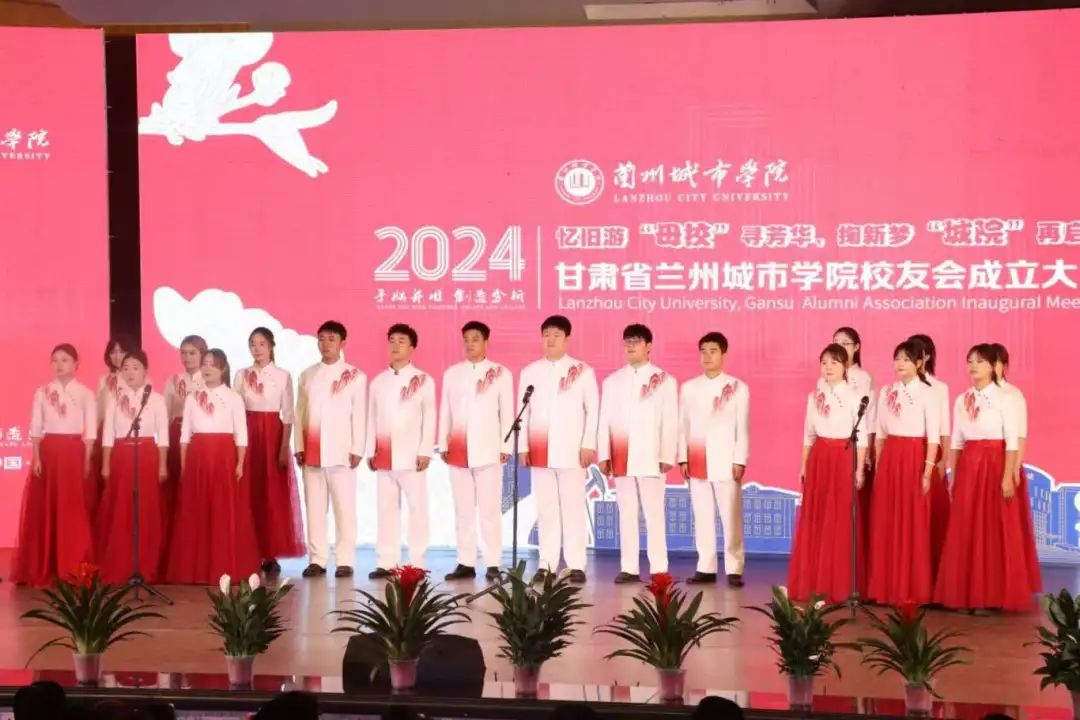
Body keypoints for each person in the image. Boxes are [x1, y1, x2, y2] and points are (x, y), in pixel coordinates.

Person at [933, 344, 1036, 612]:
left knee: (992, 529)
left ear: (992, 366)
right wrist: (953, 475)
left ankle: (991, 596)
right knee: (965, 526)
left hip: (995, 464)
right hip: (969, 465)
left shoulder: (1006, 397)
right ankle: (964, 594)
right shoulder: (962, 399)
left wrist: (1007, 475)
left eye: (979, 362)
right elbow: (957, 441)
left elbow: (1012, 440)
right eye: (970, 361)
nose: (973, 366)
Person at [164, 349, 259, 584]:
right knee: (196, 512)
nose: (207, 368)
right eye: (205, 363)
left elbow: (241, 434)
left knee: (222, 512)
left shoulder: (233, 397)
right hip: (198, 457)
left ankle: (224, 567)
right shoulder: (192, 397)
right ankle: (196, 569)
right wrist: (185, 464)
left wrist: (240, 463)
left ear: (223, 369)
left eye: (213, 364)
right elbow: (185, 434)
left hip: (224, 457)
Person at [519, 315, 599, 584]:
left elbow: (593, 410)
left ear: (567, 339)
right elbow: (524, 412)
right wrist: (523, 446)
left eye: (556, 335)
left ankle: (576, 564)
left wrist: (588, 444)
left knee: (573, 508)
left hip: (572, 450)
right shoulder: (530, 372)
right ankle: (547, 564)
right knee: (546, 510)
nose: (550, 340)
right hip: (540, 450)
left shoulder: (582, 371)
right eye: (546, 335)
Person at [787, 344, 867, 603]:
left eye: (834, 362)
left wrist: (859, 470)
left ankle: (840, 585)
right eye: (824, 363)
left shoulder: (856, 396)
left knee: (840, 517)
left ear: (845, 366)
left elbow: (862, 439)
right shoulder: (814, 397)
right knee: (817, 516)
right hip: (819, 458)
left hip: (843, 457)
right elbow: (808, 435)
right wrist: (803, 465)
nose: (828, 367)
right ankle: (814, 582)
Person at [11, 344, 97, 586]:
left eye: (65, 360)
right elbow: (36, 427)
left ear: (76, 364)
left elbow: (91, 431)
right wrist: (37, 457)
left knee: (72, 510)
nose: (59, 365)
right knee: (47, 508)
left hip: (73, 453)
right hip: (49, 452)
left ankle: (73, 566)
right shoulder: (42, 392)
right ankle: (45, 564)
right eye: (55, 360)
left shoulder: (85, 393)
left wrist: (87, 460)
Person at [598, 324, 677, 584]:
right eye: (627, 341)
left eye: (636, 341)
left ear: (649, 346)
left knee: (654, 514)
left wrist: (667, 454)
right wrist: (604, 454)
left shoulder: (664, 380)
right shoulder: (612, 382)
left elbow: (670, 420)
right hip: (621, 455)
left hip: (651, 455)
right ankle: (629, 567)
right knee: (626, 513)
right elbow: (604, 420)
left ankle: (659, 568)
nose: (630, 346)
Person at [866, 340, 940, 606]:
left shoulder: (929, 393)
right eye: (897, 358)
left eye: (907, 359)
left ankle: (911, 588)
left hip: (914, 457)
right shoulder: (887, 391)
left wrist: (927, 472)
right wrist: (879, 463)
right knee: (887, 521)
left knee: (912, 522)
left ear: (919, 363)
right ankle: (886, 587)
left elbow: (934, 437)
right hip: (890, 457)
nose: (900, 364)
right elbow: (880, 433)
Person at [440, 321, 513, 582]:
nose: (470, 344)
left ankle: (493, 563)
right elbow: (445, 411)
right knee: (463, 510)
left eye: (475, 339)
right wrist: (443, 443)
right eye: (466, 339)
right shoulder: (452, 374)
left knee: (489, 511)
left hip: (489, 449)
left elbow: (507, 412)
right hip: (458, 449)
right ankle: (466, 562)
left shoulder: (500, 373)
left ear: (486, 342)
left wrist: (505, 446)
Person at [295, 321, 366, 579]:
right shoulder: (307, 375)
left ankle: (345, 560)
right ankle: (317, 559)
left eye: (331, 339)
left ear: (342, 343)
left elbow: (359, 414)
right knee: (315, 509)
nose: (325, 344)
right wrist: (299, 445)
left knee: (344, 510)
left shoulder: (355, 376)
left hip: (341, 451)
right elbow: (300, 413)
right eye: (321, 338)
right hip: (312, 451)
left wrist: (358, 447)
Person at [678, 332, 750, 587]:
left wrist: (740, 459)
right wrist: (682, 457)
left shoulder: (738, 388)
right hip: (697, 458)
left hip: (726, 460)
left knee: (731, 517)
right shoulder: (689, 388)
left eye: (713, 351)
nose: (707, 356)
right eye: (703, 351)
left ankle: (734, 567)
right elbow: (683, 425)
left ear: (723, 354)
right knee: (702, 516)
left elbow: (743, 427)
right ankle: (705, 567)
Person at [366, 323, 436, 578]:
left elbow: (430, 416)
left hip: (412, 455)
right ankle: (387, 562)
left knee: (417, 509)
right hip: (384, 455)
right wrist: (369, 450)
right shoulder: (378, 382)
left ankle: (417, 562)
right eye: (392, 340)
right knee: (386, 510)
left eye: (401, 341)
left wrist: (425, 450)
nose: (395, 345)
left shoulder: (424, 380)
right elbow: (371, 418)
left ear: (412, 347)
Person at [96, 350, 169, 584]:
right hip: (121, 455)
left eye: (135, 368)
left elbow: (163, 435)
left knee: (145, 511)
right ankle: (121, 564)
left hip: (147, 455)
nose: (130, 373)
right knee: (121, 510)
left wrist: (162, 465)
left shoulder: (156, 399)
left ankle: (146, 565)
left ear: (145, 370)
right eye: (125, 368)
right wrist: (106, 464)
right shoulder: (114, 399)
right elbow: (108, 434)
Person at [235, 327, 304, 577]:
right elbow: (235, 410)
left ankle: (270, 553)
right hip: (248, 435)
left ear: (272, 346)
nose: (257, 349)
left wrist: (284, 447)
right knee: (249, 493)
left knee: (271, 494)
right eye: (252, 344)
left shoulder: (283, 376)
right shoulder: (241, 375)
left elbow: (288, 414)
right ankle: (248, 549)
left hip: (272, 436)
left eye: (262, 344)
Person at [991, 342, 1041, 595]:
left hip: (1006, 465)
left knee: (1007, 528)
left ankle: (1009, 585)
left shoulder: (1013, 394)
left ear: (1004, 366)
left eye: (997, 362)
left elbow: (1019, 435)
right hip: (984, 469)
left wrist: (1014, 469)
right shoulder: (976, 395)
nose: (993, 367)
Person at [909, 334, 951, 579]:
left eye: (915, 352)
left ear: (926, 357)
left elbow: (944, 428)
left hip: (930, 451)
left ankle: (932, 572)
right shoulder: (899, 388)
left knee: (931, 512)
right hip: (906, 453)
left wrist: (943, 460)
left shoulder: (939, 387)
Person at [161, 335, 208, 537]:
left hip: (199, 438)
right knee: (175, 485)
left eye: (192, 353)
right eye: (183, 353)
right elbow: (164, 415)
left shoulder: (209, 380)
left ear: (202, 354)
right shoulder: (173, 381)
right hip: (176, 435)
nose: (187, 357)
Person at [91, 336, 134, 517]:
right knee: (106, 480)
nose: (117, 356)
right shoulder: (104, 380)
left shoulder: (138, 378)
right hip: (105, 435)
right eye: (113, 352)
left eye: (121, 351)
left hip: (128, 436)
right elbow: (98, 411)